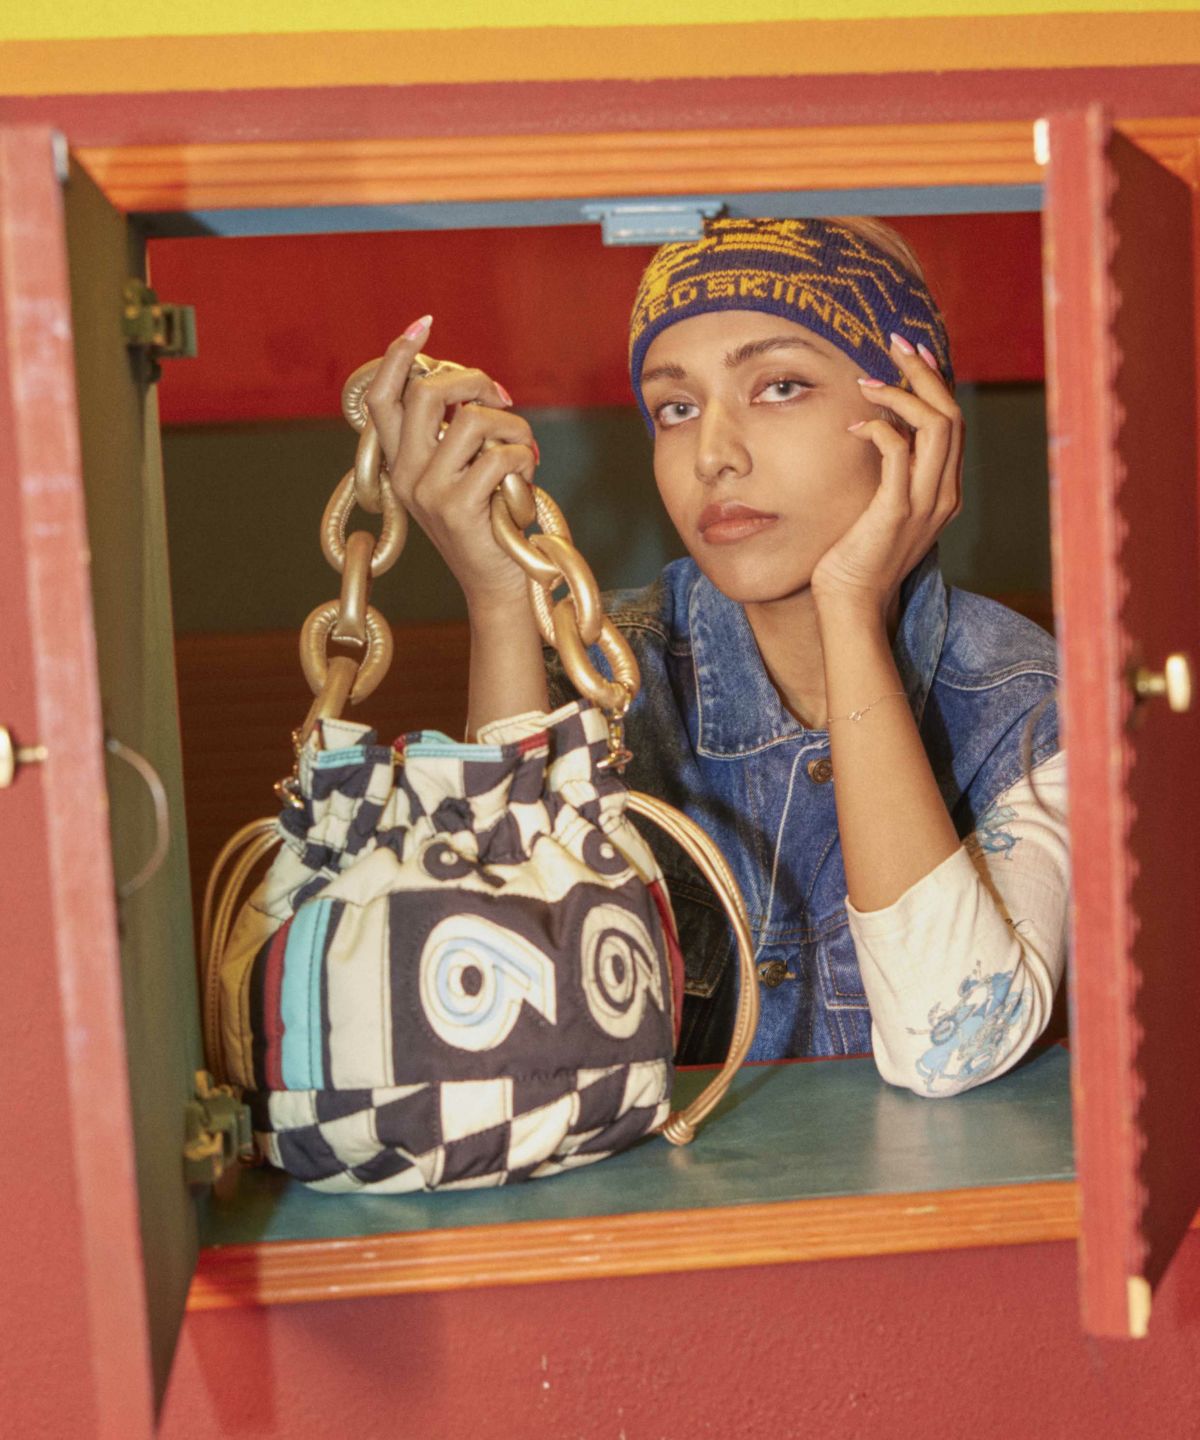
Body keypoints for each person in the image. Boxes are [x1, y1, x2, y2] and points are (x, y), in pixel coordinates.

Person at [364, 216, 1069, 1098]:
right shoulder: (605, 670)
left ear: (914, 418)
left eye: (780, 387)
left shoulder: (1026, 705)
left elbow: (952, 1049)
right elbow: (499, 1047)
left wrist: (851, 609)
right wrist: (500, 601)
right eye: (677, 407)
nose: (713, 456)